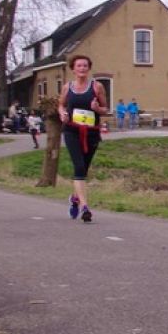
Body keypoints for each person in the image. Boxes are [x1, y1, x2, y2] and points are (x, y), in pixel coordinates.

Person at [57, 54, 108, 223]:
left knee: (83, 170)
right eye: (79, 66)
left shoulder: (97, 87)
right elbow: (61, 104)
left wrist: (97, 108)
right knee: (78, 166)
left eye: (85, 66)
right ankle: (85, 207)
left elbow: (105, 108)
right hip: (72, 131)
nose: (82, 68)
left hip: (91, 132)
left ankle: (75, 198)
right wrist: (62, 114)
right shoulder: (67, 87)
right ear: (73, 69)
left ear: (89, 68)